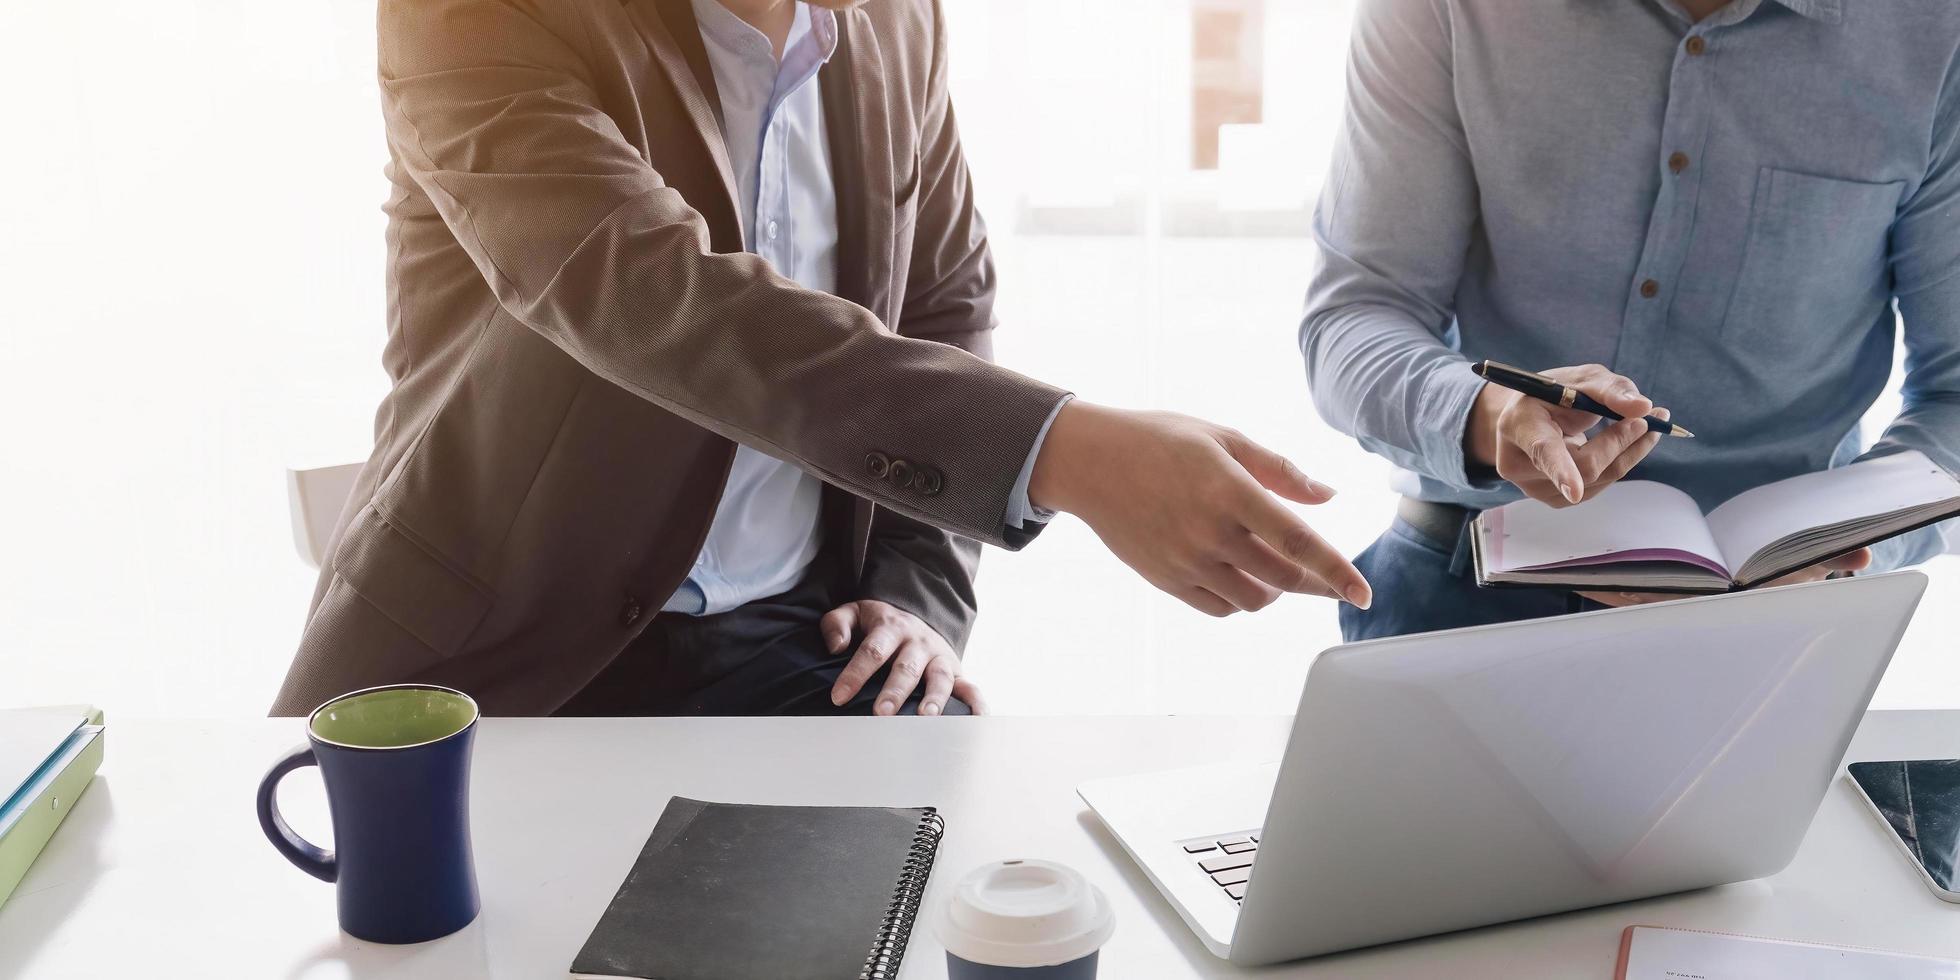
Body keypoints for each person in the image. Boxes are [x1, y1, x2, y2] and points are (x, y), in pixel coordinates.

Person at [270, 0, 1371, 718]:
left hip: (803, 637)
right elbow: (649, 297)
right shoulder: (473, 14)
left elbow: (944, 300)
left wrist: (917, 590)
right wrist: (1064, 449)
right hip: (497, 661)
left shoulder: (897, 21)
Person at [1301, 0, 1960, 641]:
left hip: (1780, 617)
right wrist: (1484, 414)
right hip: (1460, 587)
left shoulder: (1938, 34)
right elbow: (1358, 316)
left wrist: (1845, 543)